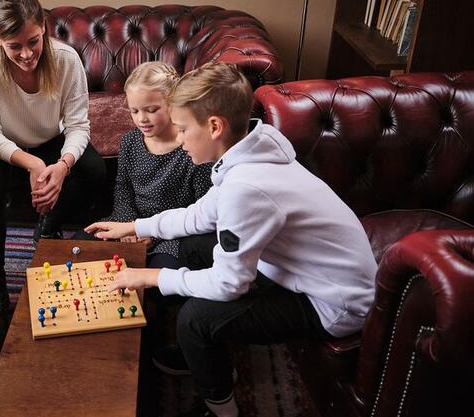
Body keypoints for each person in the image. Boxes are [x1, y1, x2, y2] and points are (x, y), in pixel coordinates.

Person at [85, 62, 377, 417]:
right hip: (304, 267)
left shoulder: (247, 188)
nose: (177, 139)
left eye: (181, 130)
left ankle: (220, 408)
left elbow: (228, 284)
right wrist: (136, 227)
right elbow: (199, 215)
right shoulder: (249, 149)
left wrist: (150, 276)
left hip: (333, 301)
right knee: (192, 248)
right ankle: (205, 354)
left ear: (213, 126)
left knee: (193, 320)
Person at [0, 0, 106, 347]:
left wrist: (61, 166)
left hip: (48, 139)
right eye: (14, 46)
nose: (26, 54)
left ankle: (49, 226)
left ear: (44, 26)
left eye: (33, 41)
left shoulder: (66, 59)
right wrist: (32, 164)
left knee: (93, 169)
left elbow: (77, 126)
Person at [74, 61, 212, 270]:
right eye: (134, 111)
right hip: (128, 224)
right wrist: (128, 227)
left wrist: (152, 233)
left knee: (160, 280)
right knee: (79, 249)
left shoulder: (192, 150)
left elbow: (203, 210)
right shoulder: (129, 142)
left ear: (173, 104)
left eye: (151, 110)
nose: (142, 119)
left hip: (174, 235)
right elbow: (123, 188)